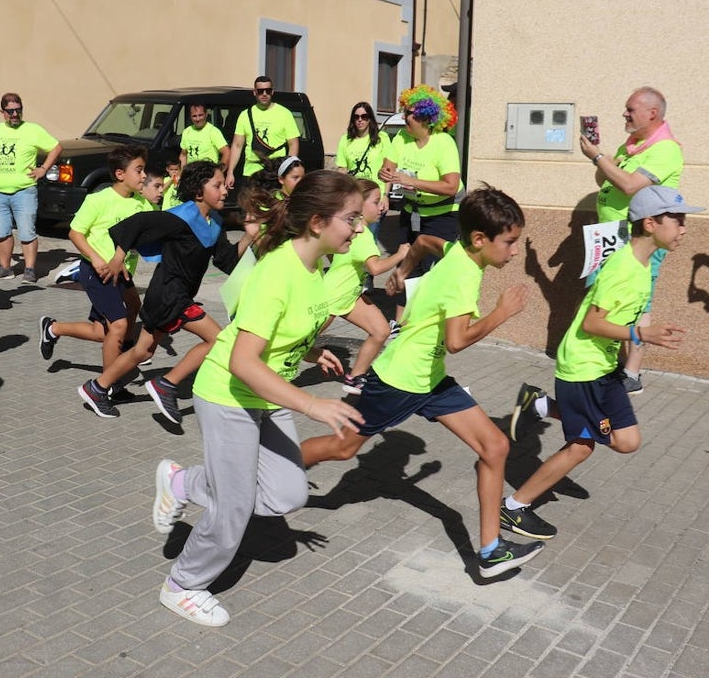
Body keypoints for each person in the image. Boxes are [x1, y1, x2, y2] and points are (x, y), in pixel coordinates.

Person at [151, 169, 364, 627]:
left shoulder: (313, 268)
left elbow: (278, 334)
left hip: (266, 397)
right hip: (228, 395)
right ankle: (183, 585)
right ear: (318, 222)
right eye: (352, 219)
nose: (360, 228)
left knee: (287, 493)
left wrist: (311, 350)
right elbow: (243, 361)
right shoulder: (278, 274)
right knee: (235, 508)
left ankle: (184, 484)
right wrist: (312, 404)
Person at [299, 186, 543, 579]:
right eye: (510, 242)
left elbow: (427, 241)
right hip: (398, 381)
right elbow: (457, 340)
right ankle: (270, 471)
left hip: (430, 380)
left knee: (495, 445)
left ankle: (491, 551)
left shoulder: (459, 251)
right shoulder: (463, 276)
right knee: (342, 449)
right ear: (480, 239)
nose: (514, 252)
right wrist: (502, 313)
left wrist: (404, 267)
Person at [503, 186, 699, 540]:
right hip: (582, 368)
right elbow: (592, 323)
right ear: (651, 223)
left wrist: (642, 332)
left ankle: (542, 404)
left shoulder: (640, 266)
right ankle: (514, 508)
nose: (684, 228)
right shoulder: (623, 268)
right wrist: (643, 335)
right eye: (678, 220)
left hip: (603, 368)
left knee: (626, 441)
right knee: (582, 446)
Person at [78, 162, 256, 425]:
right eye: (216, 186)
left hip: (170, 295)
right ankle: (167, 384)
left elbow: (226, 262)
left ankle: (97, 387)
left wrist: (249, 237)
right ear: (198, 192)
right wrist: (118, 258)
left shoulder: (215, 222)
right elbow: (135, 224)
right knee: (219, 340)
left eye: (222, 185)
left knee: (143, 351)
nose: (224, 191)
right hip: (170, 295)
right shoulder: (180, 217)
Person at [579, 86, 683, 395]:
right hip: (610, 236)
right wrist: (600, 157)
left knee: (637, 302)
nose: (624, 114)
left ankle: (632, 374)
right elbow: (605, 180)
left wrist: (598, 155)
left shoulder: (665, 149)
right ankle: (604, 364)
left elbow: (627, 185)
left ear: (652, 113)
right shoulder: (632, 145)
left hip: (638, 239)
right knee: (602, 299)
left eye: (630, 109)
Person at [38, 146, 148, 417]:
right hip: (97, 272)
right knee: (120, 327)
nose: (143, 175)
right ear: (120, 174)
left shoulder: (142, 203)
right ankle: (104, 389)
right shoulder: (99, 200)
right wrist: (97, 259)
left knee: (105, 332)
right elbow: (76, 233)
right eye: (139, 170)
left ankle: (54, 329)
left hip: (122, 275)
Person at [378, 85, 463, 324]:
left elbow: (451, 186)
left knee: (432, 270)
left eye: (410, 113)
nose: (405, 117)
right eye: (404, 111)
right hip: (411, 212)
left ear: (427, 118)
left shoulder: (443, 142)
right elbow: (388, 166)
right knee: (408, 264)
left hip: (442, 217)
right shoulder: (402, 138)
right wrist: (385, 175)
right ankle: (399, 325)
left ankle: (432, 322)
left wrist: (411, 181)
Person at [320, 178, 408, 395]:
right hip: (331, 298)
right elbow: (375, 268)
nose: (382, 207)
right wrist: (400, 254)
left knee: (381, 331)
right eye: (376, 202)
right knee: (297, 341)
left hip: (351, 297)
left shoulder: (353, 229)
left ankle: (355, 377)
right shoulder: (363, 234)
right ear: (359, 205)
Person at [0, 93, 63, 284]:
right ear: (2, 112)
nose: (15, 114)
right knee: (1, 232)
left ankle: (29, 270)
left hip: (24, 191)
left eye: (18, 110)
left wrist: (43, 169)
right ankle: (5, 267)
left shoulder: (33, 130)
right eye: (10, 111)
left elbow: (56, 147)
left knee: (27, 232)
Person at [224, 76, 299, 192]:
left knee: (274, 208)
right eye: (260, 91)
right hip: (251, 174)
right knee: (249, 209)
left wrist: (286, 171)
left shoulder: (285, 114)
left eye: (268, 91)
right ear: (254, 92)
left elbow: (293, 144)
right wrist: (230, 172)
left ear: (272, 92)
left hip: (275, 174)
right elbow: (237, 146)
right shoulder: (245, 115)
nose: (264, 94)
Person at [336, 101, 391, 239]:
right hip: (354, 196)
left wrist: (385, 195)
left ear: (370, 119)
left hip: (374, 198)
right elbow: (342, 168)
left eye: (364, 116)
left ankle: (370, 261)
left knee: (369, 238)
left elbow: (388, 168)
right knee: (352, 238)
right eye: (356, 117)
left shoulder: (381, 139)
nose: (360, 120)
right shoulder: (345, 140)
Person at [179, 102, 228, 169]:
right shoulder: (187, 131)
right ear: (190, 116)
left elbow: (226, 153)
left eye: (200, 115)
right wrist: (182, 173)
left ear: (206, 114)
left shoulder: (213, 131)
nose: (198, 119)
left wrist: (219, 171)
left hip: (208, 174)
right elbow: (183, 155)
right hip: (191, 175)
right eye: (194, 116)